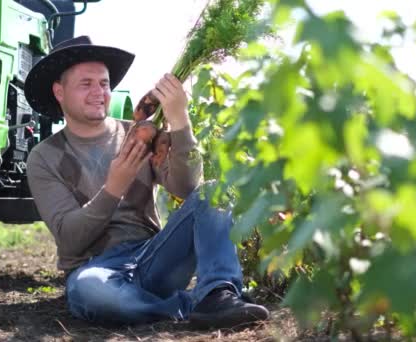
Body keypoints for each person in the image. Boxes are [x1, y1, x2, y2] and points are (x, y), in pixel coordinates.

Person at [24, 36, 269, 328]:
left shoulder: (139, 133)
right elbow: (70, 239)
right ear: (59, 92)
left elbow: (188, 190)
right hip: (96, 269)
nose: (98, 92)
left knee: (213, 192)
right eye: (85, 84)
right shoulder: (44, 157)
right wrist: (115, 186)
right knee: (90, 290)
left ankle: (218, 294)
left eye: (103, 84)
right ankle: (189, 307)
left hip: (154, 259)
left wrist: (180, 121)